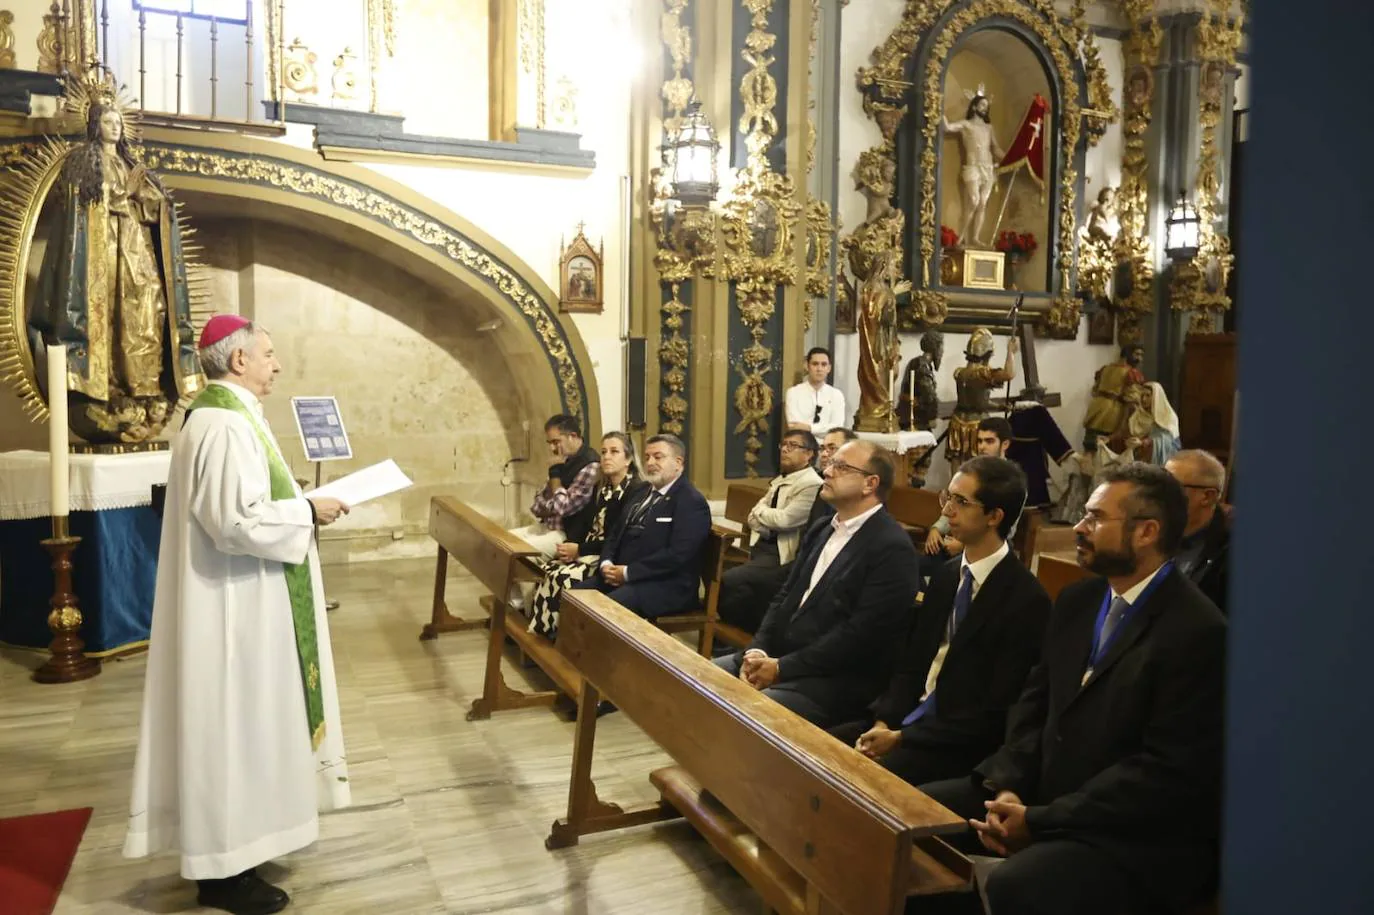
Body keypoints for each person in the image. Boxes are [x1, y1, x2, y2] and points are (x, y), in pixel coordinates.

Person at [918, 463, 1226, 915]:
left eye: (1096, 518)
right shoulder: (1079, 601)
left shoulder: (1198, 631)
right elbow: (1034, 703)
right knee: (915, 821)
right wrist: (1007, 786)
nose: (1079, 527)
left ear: (1147, 532)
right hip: (1044, 795)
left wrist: (1041, 821)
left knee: (1019, 886)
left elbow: (1159, 773)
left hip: (1128, 833)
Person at [123, 315, 352, 915]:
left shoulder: (233, 414)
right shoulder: (223, 424)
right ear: (238, 360)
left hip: (246, 598)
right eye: (269, 354)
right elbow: (235, 521)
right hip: (229, 608)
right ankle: (222, 873)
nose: (277, 364)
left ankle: (242, 846)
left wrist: (295, 503)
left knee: (249, 727)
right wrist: (307, 509)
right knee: (231, 726)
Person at [830, 457, 1050, 787]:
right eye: (947, 497)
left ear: (994, 516)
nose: (947, 511)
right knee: (820, 746)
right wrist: (884, 721)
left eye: (961, 502)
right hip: (907, 719)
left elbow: (994, 709)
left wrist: (903, 737)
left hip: (956, 741)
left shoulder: (1026, 599)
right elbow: (912, 663)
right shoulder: (947, 576)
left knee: (860, 781)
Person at [29, 75, 201, 445]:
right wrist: (125, 195)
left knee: (145, 315)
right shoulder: (82, 164)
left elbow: (156, 209)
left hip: (134, 249)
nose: (114, 127)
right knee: (104, 321)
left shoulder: (132, 166)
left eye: (118, 122)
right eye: (107, 121)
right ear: (94, 125)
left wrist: (147, 199)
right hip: (98, 254)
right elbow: (79, 209)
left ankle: (142, 387)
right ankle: (106, 386)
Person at [715, 441, 920, 727]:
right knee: (703, 677)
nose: (827, 471)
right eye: (829, 463)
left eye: (840, 466)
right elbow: (784, 596)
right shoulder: (823, 528)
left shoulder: (891, 547)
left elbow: (859, 636)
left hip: (835, 679)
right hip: (784, 658)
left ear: (870, 484)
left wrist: (782, 669)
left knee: (751, 711)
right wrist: (758, 650)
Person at [573, 433, 711, 619]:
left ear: (678, 463)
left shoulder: (690, 501)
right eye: (647, 457)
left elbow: (678, 554)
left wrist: (629, 573)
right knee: (576, 596)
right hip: (625, 575)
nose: (650, 462)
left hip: (665, 584)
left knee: (606, 609)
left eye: (658, 457)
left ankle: (600, 648)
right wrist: (606, 563)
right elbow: (615, 534)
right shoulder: (642, 492)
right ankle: (570, 647)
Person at [527, 432, 647, 639]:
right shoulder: (603, 487)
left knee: (562, 577)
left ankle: (562, 637)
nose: (607, 457)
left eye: (614, 452)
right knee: (547, 569)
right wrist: (572, 545)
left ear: (628, 459)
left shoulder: (635, 490)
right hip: (589, 550)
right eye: (603, 452)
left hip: (608, 557)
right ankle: (543, 633)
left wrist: (580, 550)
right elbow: (587, 524)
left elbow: (616, 538)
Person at [717, 430, 823, 634]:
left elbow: (785, 520)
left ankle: (739, 634)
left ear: (809, 454)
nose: (785, 449)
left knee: (731, 580)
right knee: (723, 575)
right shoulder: (782, 479)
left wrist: (763, 514)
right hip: (764, 545)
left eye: (793, 446)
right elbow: (751, 516)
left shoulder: (811, 484)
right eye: (783, 444)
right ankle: (741, 631)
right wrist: (766, 517)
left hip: (782, 556)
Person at [921, 416, 1014, 582]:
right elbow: (952, 503)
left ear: (1005, 444)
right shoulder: (971, 471)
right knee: (916, 568)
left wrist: (963, 544)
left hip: (986, 548)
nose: (982, 447)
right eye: (979, 441)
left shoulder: (1011, 481)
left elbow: (1008, 529)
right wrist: (935, 529)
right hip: (955, 540)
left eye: (989, 441)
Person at [510, 414, 600, 559]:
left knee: (518, 553)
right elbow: (537, 505)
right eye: (549, 443)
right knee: (503, 540)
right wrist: (552, 502)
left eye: (556, 442)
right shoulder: (562, 461)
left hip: (565, 535)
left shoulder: (590, 465)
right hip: (546, 526)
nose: (552, 448)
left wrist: (555, 476)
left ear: (573, 436)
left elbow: (562, 508)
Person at [1166, 449, 1230, 614]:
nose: (1159, 495)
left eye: (1171, 486)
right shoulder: (1150, 531)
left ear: (1207, 496)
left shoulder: (1230, 552)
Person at [944, 90, 1005, 247]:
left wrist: (1009, 157)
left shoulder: (989, 128)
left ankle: (976, 237)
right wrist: (940, 113)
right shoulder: (966, 125)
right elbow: (948, 128)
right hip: (972, 167)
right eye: (982, 104)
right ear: (974, 106)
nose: (985, 107)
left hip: (988, 167)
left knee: (983, 203)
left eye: (986, 105)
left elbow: (995, 148)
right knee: (974, 199)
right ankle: (962, 236)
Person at [948, 328, 1016, 467]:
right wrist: (1011, 352)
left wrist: (998, 407)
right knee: (980, 466)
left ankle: (954, 489)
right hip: (977, 426)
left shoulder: (960, 373)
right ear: (987, 354)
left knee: (958, 460)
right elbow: (1009, 374)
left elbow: (978, 401)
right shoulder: (981, 374)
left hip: (957, 422)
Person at [1083, 343, 1147, 451]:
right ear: (1127, 354)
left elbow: (1094, 390)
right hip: (1113, 414)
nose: (1140, 359)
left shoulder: (1105, 369)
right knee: (1108, 450)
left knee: (1090, 447)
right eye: (1137, 354)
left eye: (1141, 355)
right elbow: (1132, 400)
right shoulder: (1131, 373)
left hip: (1095, 409)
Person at [784, 347, 846, 436]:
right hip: (801, 446)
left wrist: (809, 428)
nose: (819, 369)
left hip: (828, 447)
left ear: (829, 368)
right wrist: (823, 429)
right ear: (807, 366)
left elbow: (837, 429)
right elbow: (795, 427)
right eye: (815, 364)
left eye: (824, 364)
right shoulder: (793, 393)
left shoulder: (837, 395)